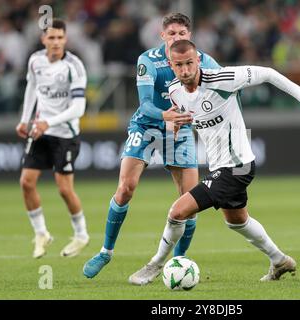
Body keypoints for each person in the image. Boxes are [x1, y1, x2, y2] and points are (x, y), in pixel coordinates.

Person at [128, 39, 300, 285]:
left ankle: (155, 265)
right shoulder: (174, 90)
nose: (185, 70)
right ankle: (279, 260)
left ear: (198, 61)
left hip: (238, 165)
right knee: (236, 221)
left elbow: (267, 73)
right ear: (171, 66)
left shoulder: (222, 79)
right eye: (179, 65)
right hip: (219, 166)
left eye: (189, 63)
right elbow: (181, 113)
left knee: (177, 211)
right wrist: (175, 125)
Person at [83, 13, 221, 278]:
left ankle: (177, 263)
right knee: (125, 188)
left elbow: (220, 92)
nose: (177, 38)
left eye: (182, 33)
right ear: (163, 36)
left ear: (189, 35)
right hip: (147, 125)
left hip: (178, 130)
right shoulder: (148, 60)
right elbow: (145, 104)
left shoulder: (204, 61)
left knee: (189, 202)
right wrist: (165, 115)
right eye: (172, 34)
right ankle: (105, 252)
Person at [16, 19, 89, 259]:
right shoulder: (35, 61)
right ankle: (41, 233)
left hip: (65, 134)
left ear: (66, 39)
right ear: (43, 39)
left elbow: (78, 108)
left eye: (60, 38)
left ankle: (81, 235)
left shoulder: (74, 66)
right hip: (40, 130)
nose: (56, 42)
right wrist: (25, 119)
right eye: (51, 38)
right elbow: (31, 88)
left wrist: (49, 122)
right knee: (26, 182)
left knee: (64, 190)